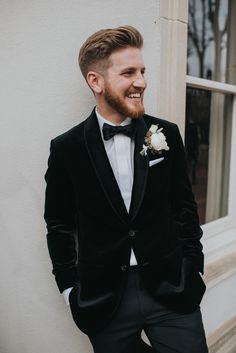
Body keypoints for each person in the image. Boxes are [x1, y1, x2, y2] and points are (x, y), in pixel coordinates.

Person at [44, 25, 208, 353]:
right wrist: (70, 292)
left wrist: (194, 268)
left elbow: (184, 209)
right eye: (129, 72)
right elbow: (59, 226)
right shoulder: (67, 148)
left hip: (171, 288)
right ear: (96, 81)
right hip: (105, 301)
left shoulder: (167, 135)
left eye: (143, 71)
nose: (142, 82)